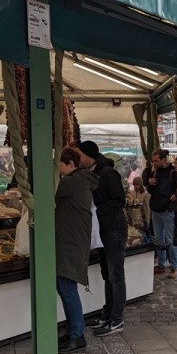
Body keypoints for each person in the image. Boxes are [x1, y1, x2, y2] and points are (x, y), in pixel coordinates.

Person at [77, 141, 128, 337]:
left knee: (116, 275)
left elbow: (118, 200)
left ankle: (117, 319)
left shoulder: (107, 173)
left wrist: (96, 212)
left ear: (87, 155)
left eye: (79, 155)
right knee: (107, 274)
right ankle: (108, 314)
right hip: (101, 230)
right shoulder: (91, 172)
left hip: (112, 229)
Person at [55, 147, 99, 353]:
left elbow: (47, 193)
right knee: (65, 288)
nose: (58, 170)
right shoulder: (81, 180)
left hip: (70, 243)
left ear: (70, 164)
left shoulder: (71, 182)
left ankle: (77, 334)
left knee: (67, 288)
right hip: (72, 240)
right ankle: (73, 330)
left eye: (60, 165)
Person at [143, 149, 177, 276]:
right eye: (153, 161)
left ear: (164, 160)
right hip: (156, 208)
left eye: (156, 161)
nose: (154, 163)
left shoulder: (172, 173)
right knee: (158, 239)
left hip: (167, 210)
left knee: (170, 239)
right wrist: (149, 183)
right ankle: (161, 264)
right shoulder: (155, 172)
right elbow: (150, 190)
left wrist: (171, 204)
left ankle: (174, 266)